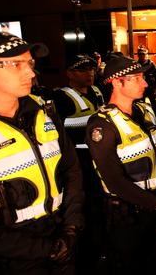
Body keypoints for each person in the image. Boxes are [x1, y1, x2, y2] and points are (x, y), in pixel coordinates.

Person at [0, 32, 84, 273]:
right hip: (10, 258)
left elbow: (71, 169)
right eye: (16, 64)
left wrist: (71, 229)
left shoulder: (43, 111)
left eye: (30, 63)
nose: (30, 73)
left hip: (64, 241)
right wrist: (45, 249)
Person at [85, 55, 156, 275]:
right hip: (127, 216)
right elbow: (113, 180)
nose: (146, 83)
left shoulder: (146, 112)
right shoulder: (102, 124)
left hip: (155, 207)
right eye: (137, 78)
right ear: (117, 82)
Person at [52, 53, 106, 271]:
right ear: (70, 74)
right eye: (83, 70)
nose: (90, 74)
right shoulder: (61, 98)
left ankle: (101, 246)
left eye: (92, 70)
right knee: (86, 207)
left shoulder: (97, 91)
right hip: (79, 161)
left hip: (100, 159)